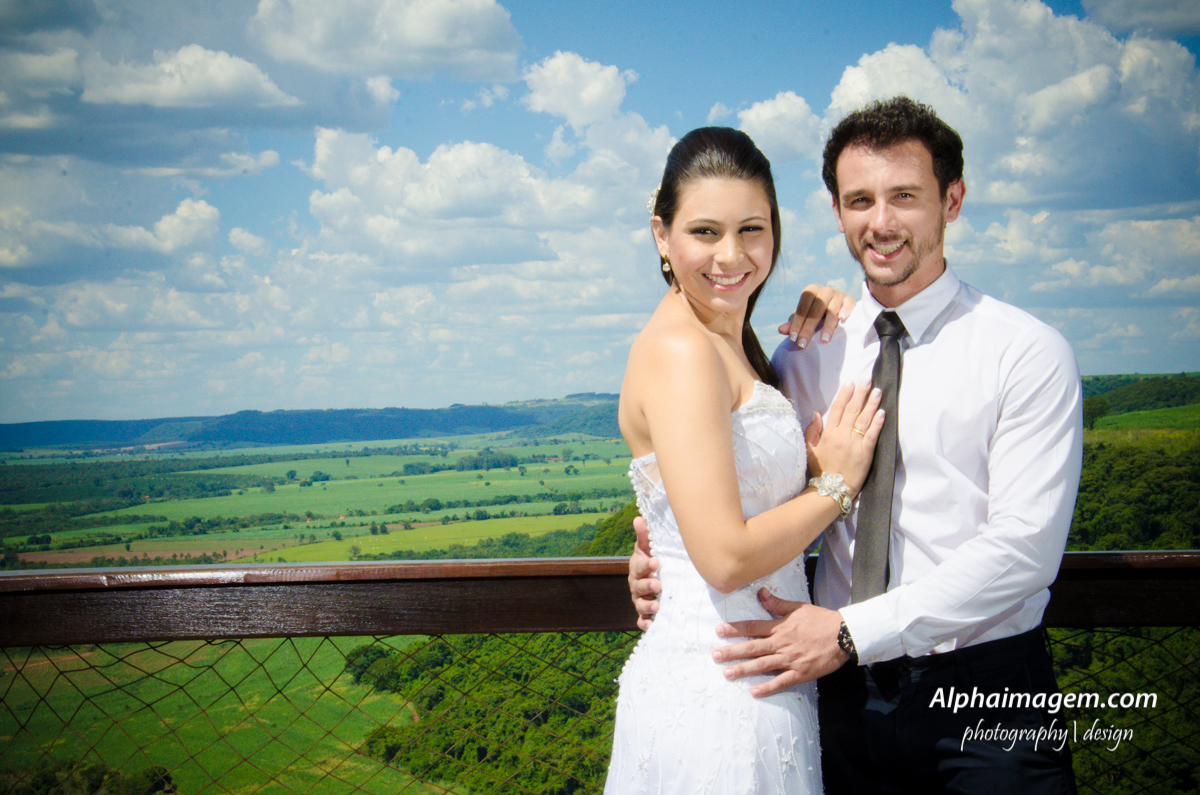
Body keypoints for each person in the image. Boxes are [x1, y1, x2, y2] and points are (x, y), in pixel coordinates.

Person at [629, 97, 1083, 794]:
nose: (881, 222)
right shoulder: (809, 352)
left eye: (905, 196)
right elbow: (723, 474)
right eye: (860, 199)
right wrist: (659, 543)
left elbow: (1024, 549)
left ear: (951, 200)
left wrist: (850, 629)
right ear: (836, 211)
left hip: (984, 696)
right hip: (829, 699)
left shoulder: (1025, 353)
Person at [604, 126, 884, 794]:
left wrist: (846, 313)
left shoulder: (729, 337)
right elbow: (725, 556)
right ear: (661, 235)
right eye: (704, 232)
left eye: (752, 229)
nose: (731, 255)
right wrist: (837, 485)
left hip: (760, 677)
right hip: (721, 687)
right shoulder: (682, 350)